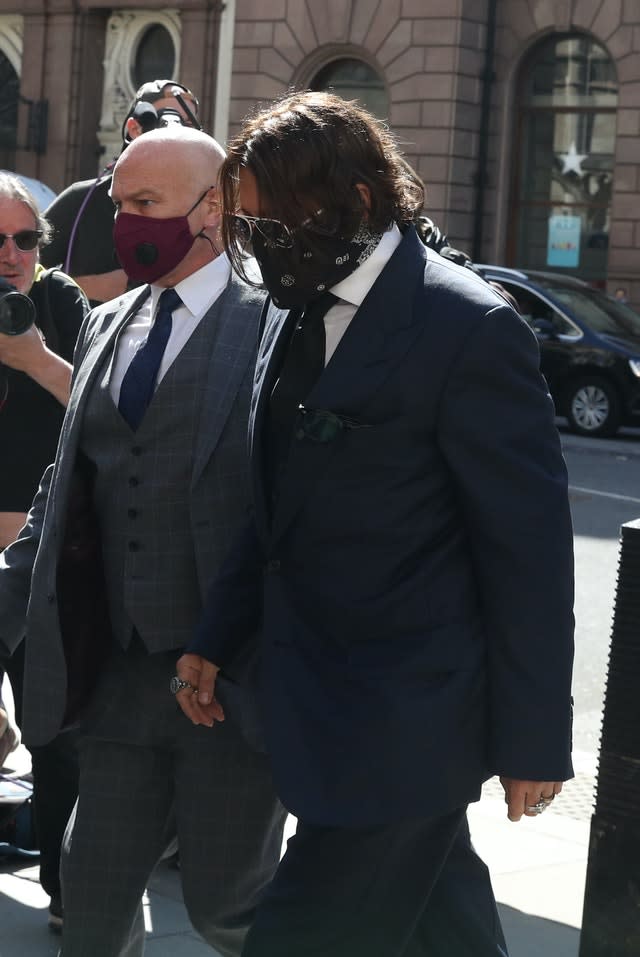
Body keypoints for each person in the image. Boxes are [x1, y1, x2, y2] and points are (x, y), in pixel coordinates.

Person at [176, 91, 575, 957]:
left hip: (408, 725)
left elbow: (530, 555)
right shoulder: (293, 306)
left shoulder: (469, 328)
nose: (267, 245)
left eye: (282, 222)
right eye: (252, 226)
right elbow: (274, 503)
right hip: (313, 697)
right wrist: (218, 634)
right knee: (450, 928)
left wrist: (535, 737)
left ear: (359, 198)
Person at [0, 126, 285, 957]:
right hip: (119, 678)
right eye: (119, 203)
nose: (125, 223)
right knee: (89, 900)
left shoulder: (275, 324)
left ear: (214, 207)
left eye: (144, 204)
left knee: (227, 907)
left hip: (228, 689)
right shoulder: (107, 322)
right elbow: (67, 489)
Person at [0, 170, 89, 929]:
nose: (10, 254)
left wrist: (32, 357)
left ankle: (70, 890)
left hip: (39, 567)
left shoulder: (59, 302)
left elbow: (105, 408)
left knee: (54, 729)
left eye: (24, 238)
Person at [41, 79, 200, 306]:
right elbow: (22, 263)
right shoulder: (81, 200)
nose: (180, 132)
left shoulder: (201, 209)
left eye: (190, 124)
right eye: (170, 119)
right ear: (135, 128)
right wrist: (84, 287)